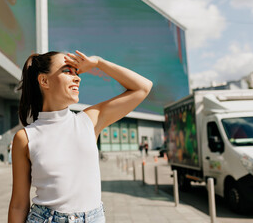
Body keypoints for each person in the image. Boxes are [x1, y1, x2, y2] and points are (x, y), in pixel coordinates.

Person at [8, 51, 152, 222]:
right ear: (44, 81)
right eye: (67, 71)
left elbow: (143, 87)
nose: (77, 78)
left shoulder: (89, 121)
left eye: (76, 72)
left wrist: (99, 62)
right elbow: (18, 204)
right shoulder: (25, 138)